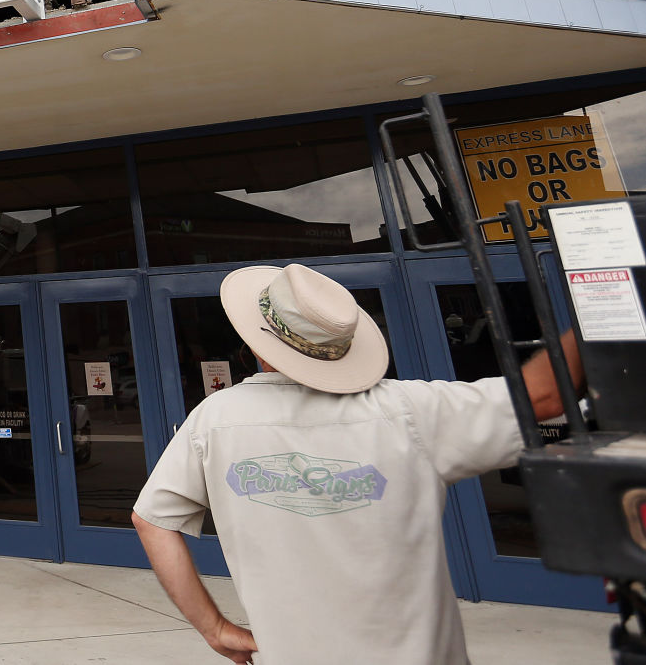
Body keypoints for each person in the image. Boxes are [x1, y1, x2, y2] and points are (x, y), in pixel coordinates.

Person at [131, 262, 583, 664]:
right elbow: (544, 394)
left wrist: (214, 628)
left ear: (256, 342)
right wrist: (606, 288)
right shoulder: (408, 410)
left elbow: (152, 520)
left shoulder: (215, 419)